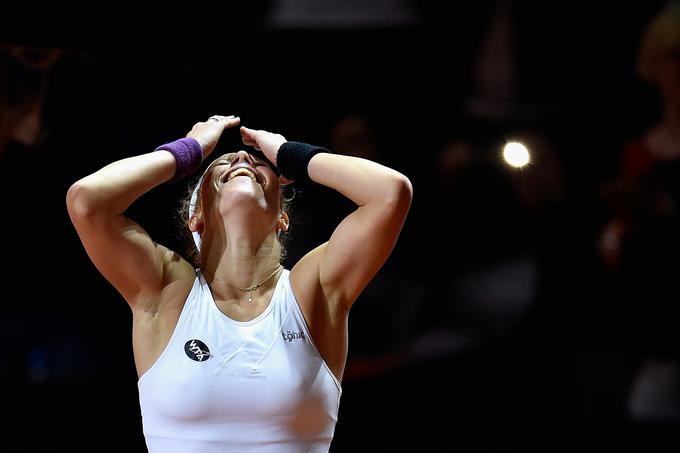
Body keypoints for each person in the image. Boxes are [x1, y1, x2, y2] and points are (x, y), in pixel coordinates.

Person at [66, 114, 412, 452]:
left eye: (262, 164)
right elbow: (87, 200)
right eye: (222, 164)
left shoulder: (313, 290)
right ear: (195, 219)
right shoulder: (166, 291)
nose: (244, 157)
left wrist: (290, 152)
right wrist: (188, 151)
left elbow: (390, 192)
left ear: (283, 218)